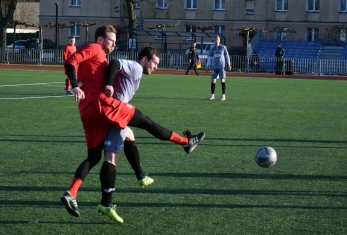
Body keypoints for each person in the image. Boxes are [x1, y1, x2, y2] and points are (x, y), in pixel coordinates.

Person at [60, 25, 205, 223]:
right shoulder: (95, 48)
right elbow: (71, 60)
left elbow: (99, 67)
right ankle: (184, 142)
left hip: (87, 111)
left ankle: (71, 193)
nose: (113, 43)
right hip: (103, 105)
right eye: (110, 40)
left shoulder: (100, 57)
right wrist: (75, 85)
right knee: (145, 121)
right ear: (100, 39)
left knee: (94, 157)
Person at [98, 46, 161, 223]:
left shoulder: (137, 69)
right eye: (154, 63)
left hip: (116, 112)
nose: (156, 67)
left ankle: (141, 176)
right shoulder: (136, 67)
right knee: (110, 159)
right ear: (145, 59)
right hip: (115, 114)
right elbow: (115, 62)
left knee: (130, 136)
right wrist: (109, 83)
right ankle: (106, 204)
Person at [207, 35, 231, 101]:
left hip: (221, 67)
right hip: (214, 67)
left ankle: (223, 96)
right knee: (213, 80)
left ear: (219, 40)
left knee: (222, 80)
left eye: (217, 39)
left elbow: (227, 56)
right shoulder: (212, 48)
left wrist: (229, 64)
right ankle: (212, 96)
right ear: (214, 40)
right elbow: (209, 57)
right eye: (215, 39)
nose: (216, 40)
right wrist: (207, 65)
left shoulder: (223, 47)